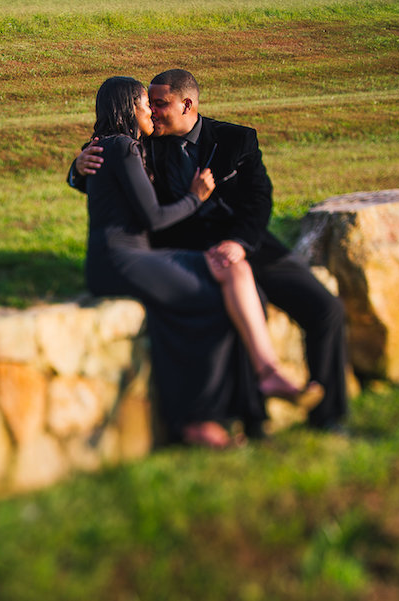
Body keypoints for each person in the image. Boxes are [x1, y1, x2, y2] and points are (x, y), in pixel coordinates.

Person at [71, 69, 348, 433]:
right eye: (148, 104)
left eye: (161, 104)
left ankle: (329, 419)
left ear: (188, 104)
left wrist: (239, 243)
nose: (152, 112)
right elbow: (107, 167)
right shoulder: (146, 141)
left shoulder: (236, 140)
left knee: (325, 308)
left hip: (245, 244)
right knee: (248, 308)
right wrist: (77, 169)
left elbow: (258, 201)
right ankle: (253, 418)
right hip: (187, 250)